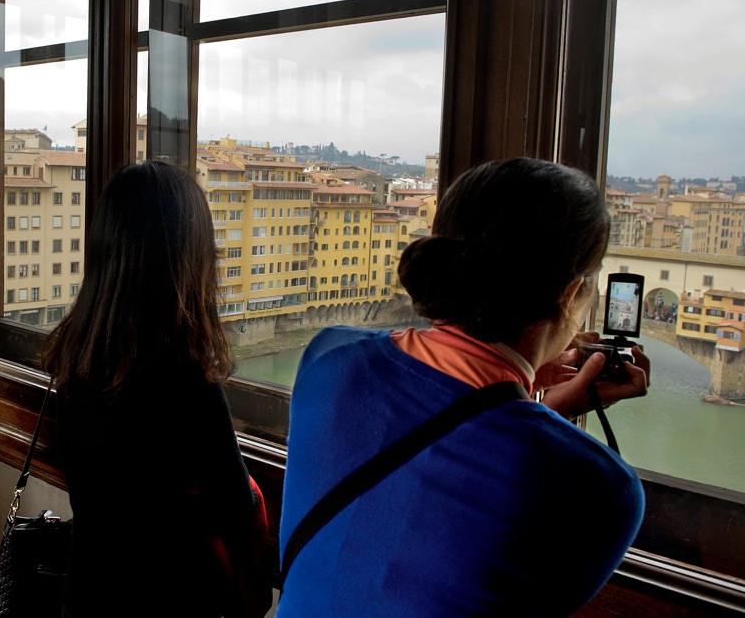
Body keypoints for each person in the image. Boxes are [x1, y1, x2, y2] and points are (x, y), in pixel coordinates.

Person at [278, 157, 650, 617]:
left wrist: (532, 396)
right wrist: (539, 410)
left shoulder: (329, 357)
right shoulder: (601, 487)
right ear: (572, 295)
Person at [42, 161, 272, 618]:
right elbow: (235, 502)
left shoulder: (76, 359)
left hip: (88, 594)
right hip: (170, 599)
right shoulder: (185, 383)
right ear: (188, 258)